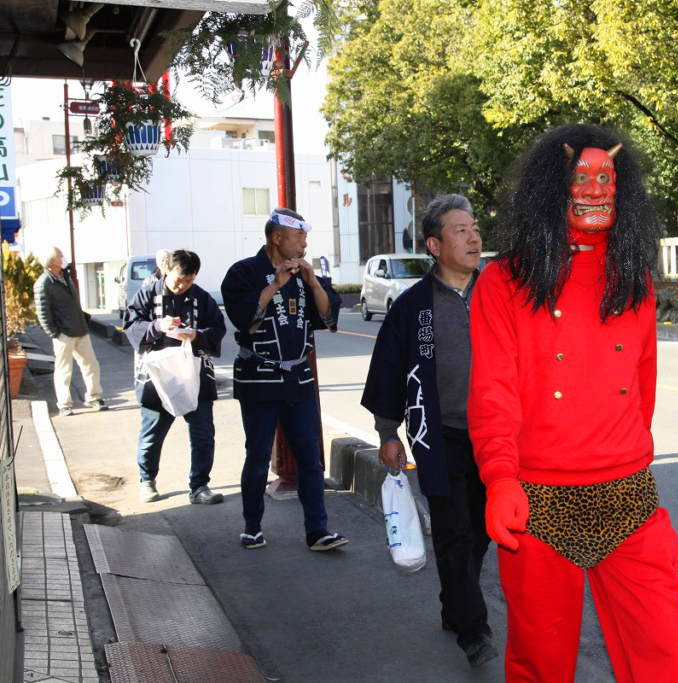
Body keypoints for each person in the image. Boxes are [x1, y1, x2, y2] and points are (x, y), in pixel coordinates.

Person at [468, 124, 678, 682]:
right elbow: (492, 391)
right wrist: (500, 478)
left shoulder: (632, 280)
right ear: (552, 186)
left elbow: (643, 393)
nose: (596, 190)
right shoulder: (503, 282)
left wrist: (622, 455)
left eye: (608, 178)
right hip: (538, 502)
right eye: (583, 177)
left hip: (628, 498)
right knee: (540, 664)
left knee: (663, 654)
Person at [362, 194, 497, 668]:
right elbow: (390, 369)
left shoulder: (498, 293)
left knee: (482, 529)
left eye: (475, 227)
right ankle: (474, 630)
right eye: (460, 230)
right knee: (453, 529)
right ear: (435, 245)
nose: (473, 236)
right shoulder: (413, 305)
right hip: (438, 432)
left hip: (495, 432)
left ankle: (454, 604)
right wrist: (387, 433)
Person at [221, 208, 347, 552]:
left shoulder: (308, 275)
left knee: (310, 456)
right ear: (278, 238)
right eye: (299, 237)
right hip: (258, 376)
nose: (305, 244)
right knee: (258, 454)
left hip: (299, 376)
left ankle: (317, 530)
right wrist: (275, 284)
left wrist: (313, 283)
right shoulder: (244, 272)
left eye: (305, 237)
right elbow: (243, 317)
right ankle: (252, 526)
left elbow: (328, 314)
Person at [122, 249, 227, 504]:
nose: (182, 286)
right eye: (179, 279)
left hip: (194, 372)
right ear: (167, 269)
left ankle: (200, 485)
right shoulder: (148, 293)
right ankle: (147, 479)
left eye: (189, 281)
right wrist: (157, 327)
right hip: (158, 373)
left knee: (202, 432)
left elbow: (217, 327)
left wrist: (196, 335)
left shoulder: (200, 296)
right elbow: (130, 325)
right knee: (153, 432)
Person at [33, 246, 107, 417]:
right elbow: (43, 314)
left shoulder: (66, 277)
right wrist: (56, 334)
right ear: (53, 261)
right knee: (64, 370)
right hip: (63, 334)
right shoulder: (43, 284)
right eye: (60, 255)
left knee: (91, 364)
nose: (64, 257)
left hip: (80, 329)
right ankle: (64, 404)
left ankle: (94, 397)